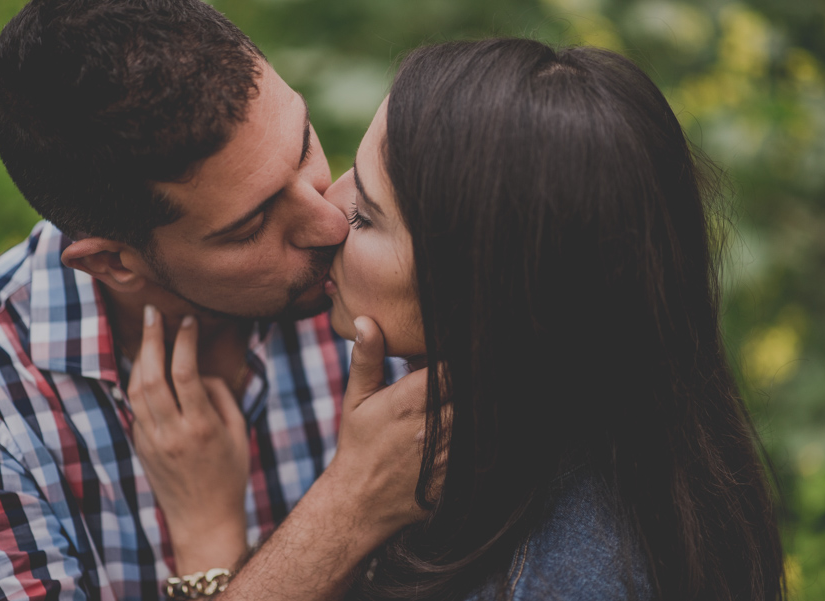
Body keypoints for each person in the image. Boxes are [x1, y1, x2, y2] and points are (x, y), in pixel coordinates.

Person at [137, 39, 787, 600]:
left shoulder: (560, 573)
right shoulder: (597, 458)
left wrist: (211, 549)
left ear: (480, 287)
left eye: (367, 216)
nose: (329, 216)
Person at [0, 1, 427, 600]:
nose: (329, 226)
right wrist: (352, 503)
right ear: (113, 263)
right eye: (249, 227)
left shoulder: (380, 269)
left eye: (304, 147)